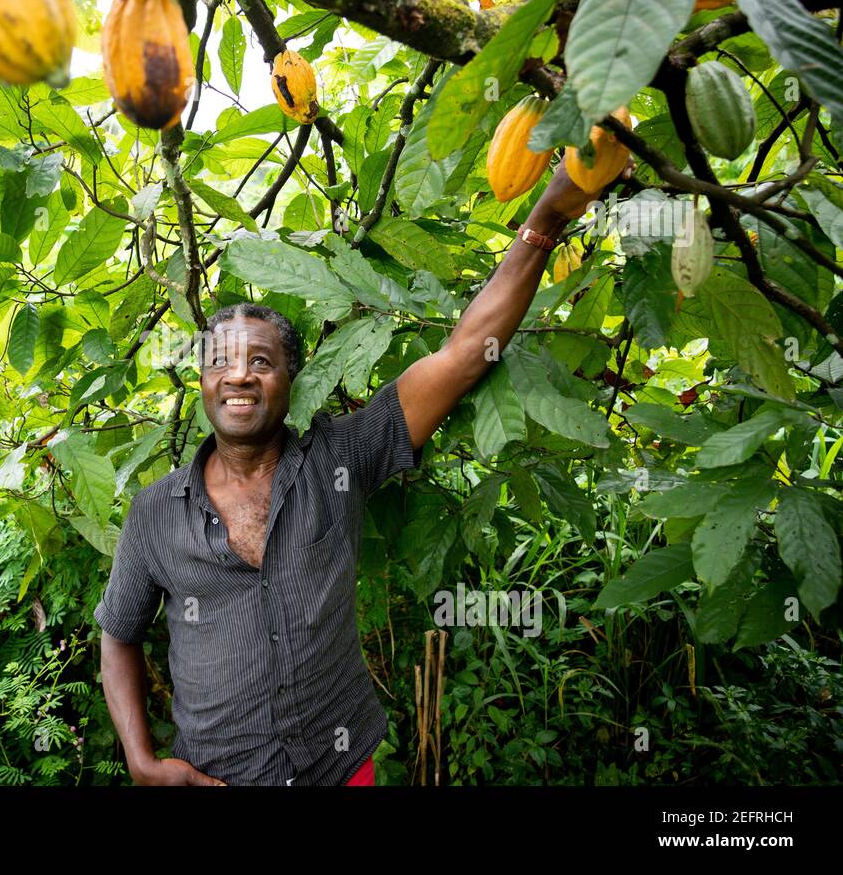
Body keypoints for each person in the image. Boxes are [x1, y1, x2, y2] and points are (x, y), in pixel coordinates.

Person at [93, 160, 610, 785]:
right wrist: (141, 760)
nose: (239, 376)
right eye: (220, 363)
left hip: (338, 767)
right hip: (217, 775)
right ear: (202, 381)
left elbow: (463, 355)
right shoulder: (154, 511)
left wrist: (545, 218)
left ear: (292, 379)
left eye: (262, 362)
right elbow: (118, 634)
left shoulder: (341, 457)